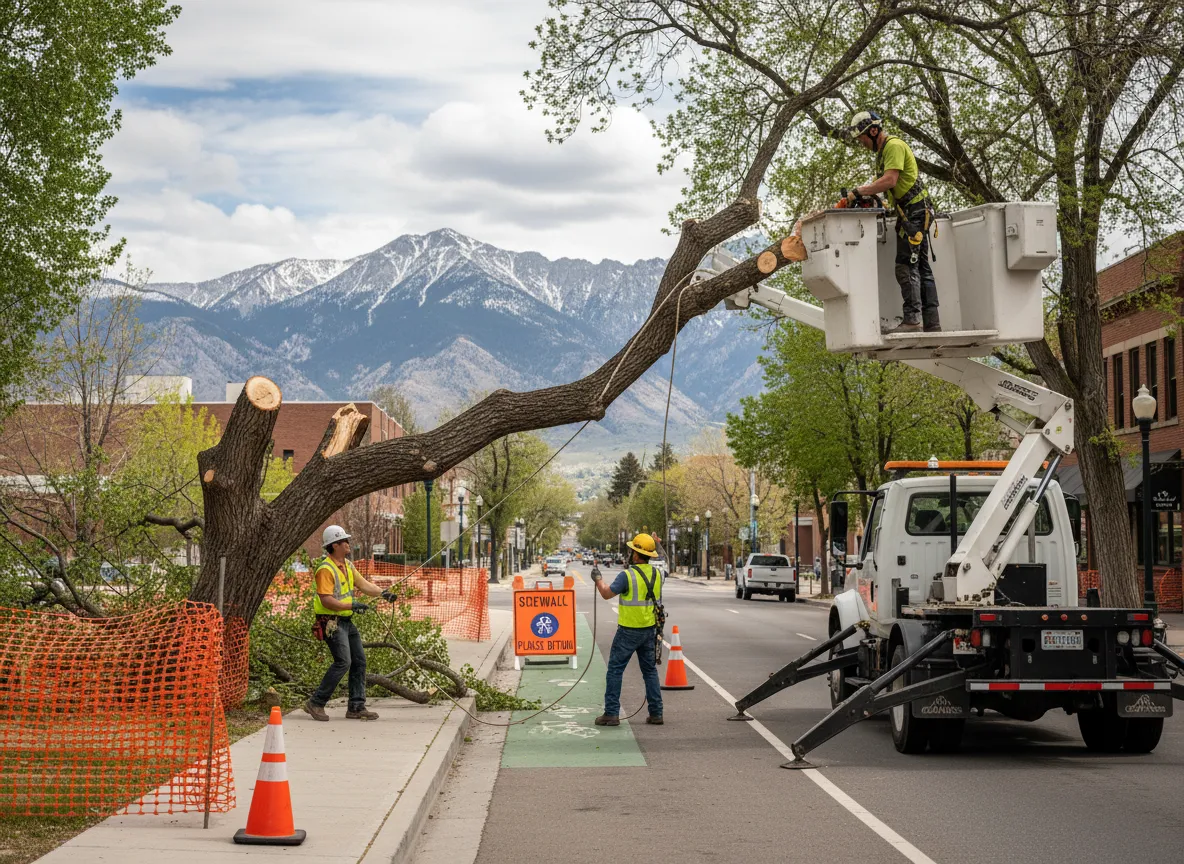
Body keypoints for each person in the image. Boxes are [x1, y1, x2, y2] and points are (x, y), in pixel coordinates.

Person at [846, 110, 940, 335]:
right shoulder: (885, 152)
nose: (863, 145)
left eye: (863, 139)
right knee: (921, 266)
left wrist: (857, 192)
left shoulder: (894, 146)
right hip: (912, 213)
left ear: (874, 131)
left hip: (915, 214)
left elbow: (889, 180)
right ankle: (932, 322)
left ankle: (912, 320)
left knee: (906, 266)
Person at [302, 525, 397, 722]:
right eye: (344, 541)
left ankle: (356, 706)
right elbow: (326, 599)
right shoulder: (325, 569)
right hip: (330, 623)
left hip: (345, 621)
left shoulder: (348, 565)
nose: (348, 543)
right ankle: (316, 703)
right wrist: (352, 605)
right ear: (334, 545)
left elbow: (364, 585)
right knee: (343, 661)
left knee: (359, 661)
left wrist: (383, 593)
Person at [591, 532, 664, 727]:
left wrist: (598, 579)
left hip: (628, 631)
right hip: (649, 630)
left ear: (637, 554)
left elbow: (607, 593)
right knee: (649, 672)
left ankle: (611, 713)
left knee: (615, 670)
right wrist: (657, 545)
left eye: (633, 550)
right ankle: (656, 713)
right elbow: (663, 562)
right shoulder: (658, 574)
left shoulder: (627, 575)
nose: (631, 553)